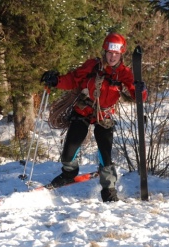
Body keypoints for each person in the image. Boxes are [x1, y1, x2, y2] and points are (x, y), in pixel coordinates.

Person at [40, 33, 147, 202]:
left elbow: (137, 95)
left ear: (121, 55)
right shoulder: (92, 66)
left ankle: (109, 189)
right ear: (105, 51)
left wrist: (141, 89)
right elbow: (72, 80)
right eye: (110, 53)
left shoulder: (124, 73)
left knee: (105, 153)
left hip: (104, 116)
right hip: (83, 111)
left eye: (116, 54)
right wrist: (56, 81)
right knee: (69, 150)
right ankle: (69, 173)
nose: (112, 57)